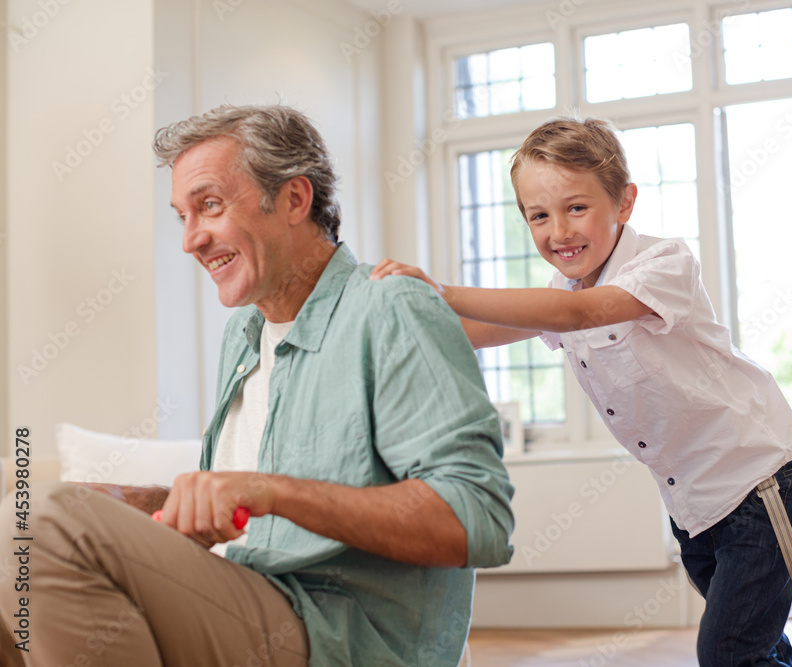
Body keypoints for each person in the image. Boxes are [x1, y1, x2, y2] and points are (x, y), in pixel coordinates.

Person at [0, 104, 515, 667]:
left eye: (210, 206)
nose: (191, 240)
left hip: (340, 638)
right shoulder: (243, 337)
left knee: (40, 523)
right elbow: (249, 503)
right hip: (248, 599)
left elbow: (475, 518)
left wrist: (271, 490)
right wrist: (146, 501)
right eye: (183, 217)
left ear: (295, 199)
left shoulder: (389, 307)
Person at [370, 117, 792, 666]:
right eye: (538, 215)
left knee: (727, 652)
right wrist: (394, 317)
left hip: (758, 482)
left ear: (623, 203)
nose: (558, 231)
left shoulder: (661, 265)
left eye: (576, 207)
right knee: (755, 644)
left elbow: (579, 313)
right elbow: (474, 335)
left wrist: (443, 290)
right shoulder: (566, 291)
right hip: (694, 505)